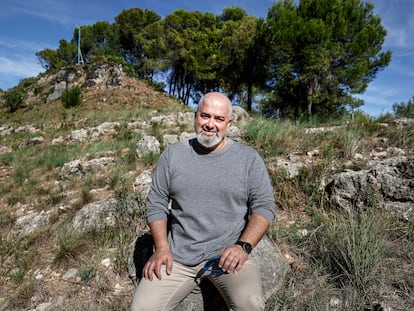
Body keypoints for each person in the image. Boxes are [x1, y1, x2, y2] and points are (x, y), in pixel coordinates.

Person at [130, 92, 276, 311]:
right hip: (178, 257)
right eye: (205, 116)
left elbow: (264, 206)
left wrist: (243, 247)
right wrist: (161, 248)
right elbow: (157, 202)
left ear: (229, 123)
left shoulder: (248, 159)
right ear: (195, 116)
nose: (210, 124)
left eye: (218, 119)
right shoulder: (173, 155)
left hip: (226, 257)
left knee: (251, 306)